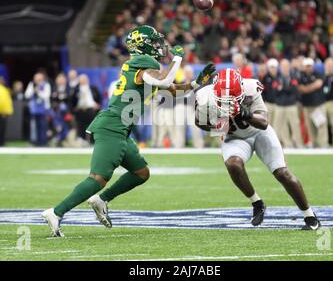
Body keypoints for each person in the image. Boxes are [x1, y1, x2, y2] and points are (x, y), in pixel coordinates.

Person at [42, 25, 215, 236]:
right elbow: (166, 80)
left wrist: (197, 83)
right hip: (112, 127)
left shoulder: (145, 67)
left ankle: (101, 200)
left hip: (121, 129)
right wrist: (177, 59)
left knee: (141, 173)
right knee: (98, 178)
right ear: (142, 46)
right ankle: (56, 212)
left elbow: (174, 91)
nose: (158, 46)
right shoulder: (144, 64)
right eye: (153, 42)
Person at [194, 68, 320, 230]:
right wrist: (217, 127)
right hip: (235, 138)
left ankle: (310, 216)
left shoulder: (251, 89)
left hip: (259, 133)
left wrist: (245, 113)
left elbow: (263, 122)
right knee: (233, 164)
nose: (227, 102)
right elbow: (199, 121)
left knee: (282, 173)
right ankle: (257, 203)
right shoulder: (205, 96)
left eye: (232, 99)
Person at [298, 58, 328, 147]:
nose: (308, 68)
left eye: (309, 66)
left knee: (321, 125)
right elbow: (300, 88)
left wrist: (306, 88)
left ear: (312, 66)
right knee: (310, 126)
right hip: (307, 105)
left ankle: (323, 144)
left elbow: (318, 84)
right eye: (306, 66)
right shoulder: (301, 75)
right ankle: (314, 144)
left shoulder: (318, 73)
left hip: (317, 105)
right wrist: (311, 87)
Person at [274, 59, 303, 148]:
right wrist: (286, 88)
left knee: (295, 125)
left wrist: (282, 88)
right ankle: (285, 143)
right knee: (279, 126)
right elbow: (275, 90)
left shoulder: (293, 77)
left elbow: (294, 89)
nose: (285, 68)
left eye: (286, 66)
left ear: (289, 67)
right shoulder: (277, 77)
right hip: (280, 105)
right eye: (283, 66)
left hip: (291, 104)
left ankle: (299, 143)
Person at [70, 74, 102, 143]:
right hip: (80, 109)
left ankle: (92, 140)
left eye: (84, 80)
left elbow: (99, 98)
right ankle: (82, 139)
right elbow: (72, 100)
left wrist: (98, 105)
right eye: (81, 80)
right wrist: (74, 108)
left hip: (91, 109)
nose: (83, 81)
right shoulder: (76, 89)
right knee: (81, 124)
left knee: (93, 124)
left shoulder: (93, 88)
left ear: (87, 80)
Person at [24, 72, 51, 146]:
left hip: (44, 109)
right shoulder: (31, 84)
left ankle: (43, 141)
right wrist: (33, 90)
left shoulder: (46, 85)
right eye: (36, 78)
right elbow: (27, 95)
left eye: (39, 78)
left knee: (43, 125)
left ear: (42, 78)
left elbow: (46, 96)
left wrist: (38, 92)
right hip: (34, 109)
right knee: (34, 126)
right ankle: (35, 141)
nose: (38, 80)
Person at [260, 58, 279, 125]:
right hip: (268, 104)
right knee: (268, 124)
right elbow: (262, 91)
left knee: (277, 124)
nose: (273, 69)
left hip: (278, 104)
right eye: (271, 67)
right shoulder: (265, 78)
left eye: (274, 67)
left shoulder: (279, 77)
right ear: (268, 68)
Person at [0, 77, 13, 146]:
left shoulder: (5, 89)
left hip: (3, 113)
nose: (2, 81)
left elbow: (7, 102)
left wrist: (8, 111)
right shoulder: (3, 90)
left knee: (2, 128)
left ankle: (2, 142)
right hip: (2, 112)